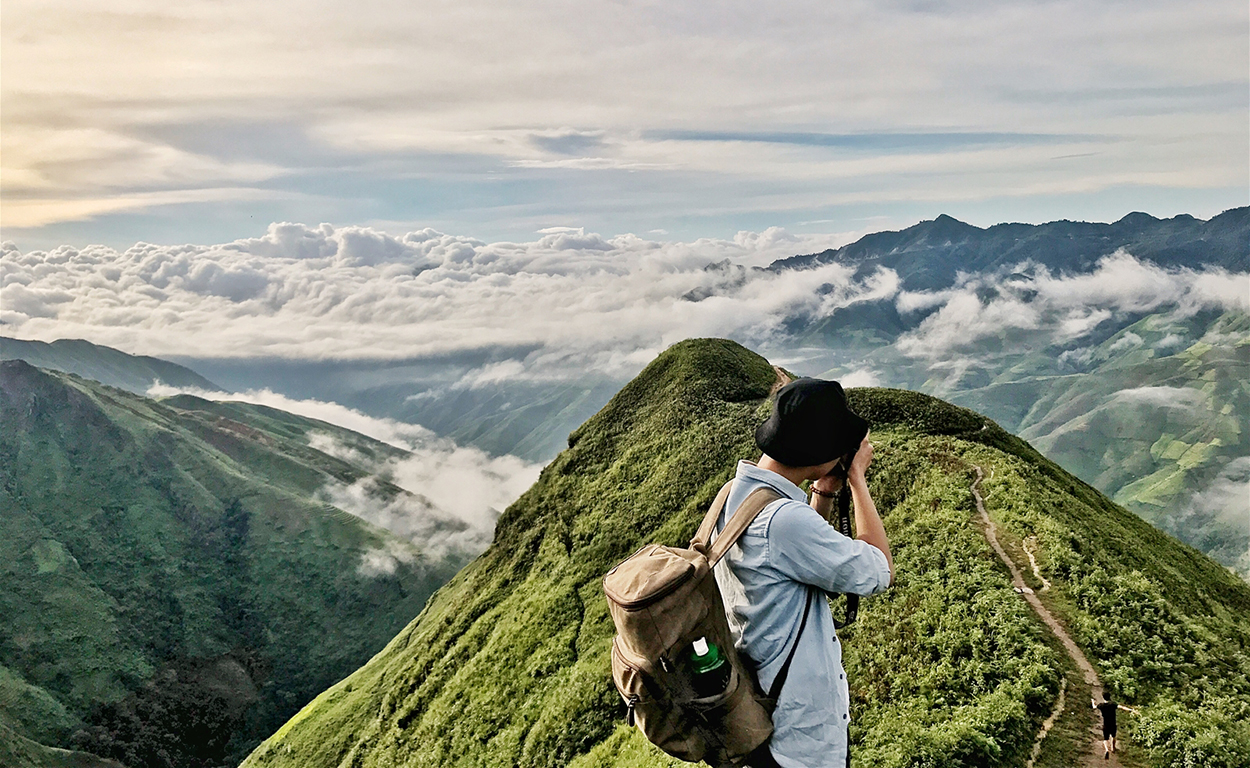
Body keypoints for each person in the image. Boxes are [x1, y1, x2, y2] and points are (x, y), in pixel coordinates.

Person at [710, 378, 895, 768]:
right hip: (797, 743)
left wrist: (824, 491)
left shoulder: (732, 496)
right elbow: (878, 571)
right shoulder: (783, 521)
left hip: (755, 718)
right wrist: (858, 481)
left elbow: (790, 562)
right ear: (823, 451)